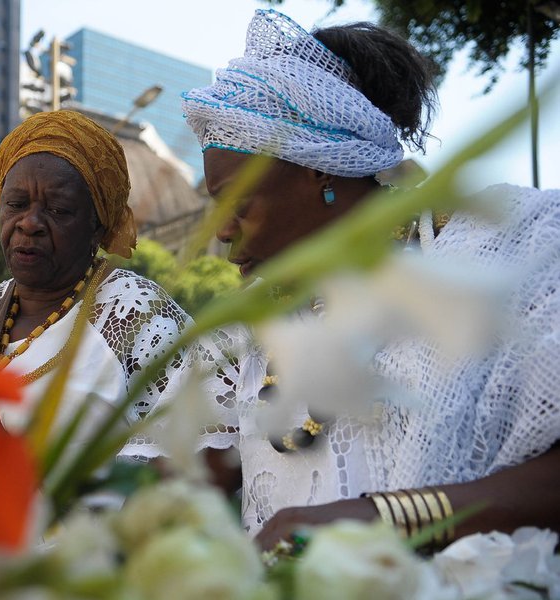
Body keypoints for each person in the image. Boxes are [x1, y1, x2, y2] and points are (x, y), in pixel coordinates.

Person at [181, 9, 560, 549]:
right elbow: (228, 456)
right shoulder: (254, 322)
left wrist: (390, 520)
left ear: (319, 166)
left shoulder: (510, 241)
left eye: (236, 203)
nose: (222, 235)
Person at [0, 110, 200, 455]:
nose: (29, 223)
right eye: (15, 204)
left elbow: (187, 457)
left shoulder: (138, 315)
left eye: (58, 210)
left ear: (99, 227)